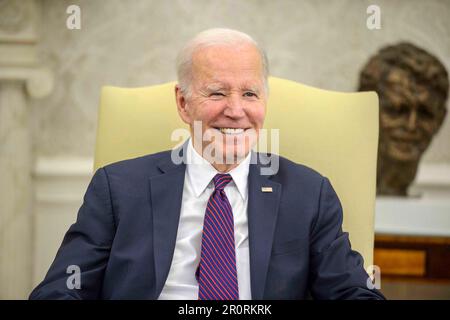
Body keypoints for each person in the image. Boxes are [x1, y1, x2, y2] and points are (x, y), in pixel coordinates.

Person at [30, 28, 385, 300]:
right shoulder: (118, 188)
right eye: (217, 92)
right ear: (183, 103)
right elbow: (62, 289)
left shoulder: (309, 193)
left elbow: (351, 291)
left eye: (249, 93)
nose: (235, 110)